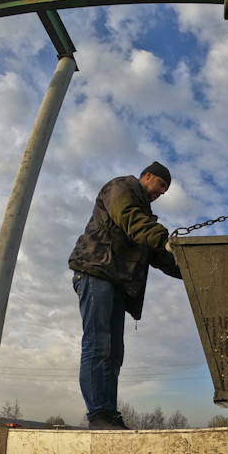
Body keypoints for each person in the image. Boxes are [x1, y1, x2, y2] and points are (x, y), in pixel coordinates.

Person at [69, 162, 182, 430]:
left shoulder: (147, 219)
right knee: (99, 344)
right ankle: (99, 415)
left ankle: (109, 413)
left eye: (166, 190)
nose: (162, 192)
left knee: (114, 352)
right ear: (148, 176)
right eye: (161, 185)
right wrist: (164, 238)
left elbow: (159, 256)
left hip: (116, 283)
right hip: (96, 272)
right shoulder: (122, 187)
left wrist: (192, 269)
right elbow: (130, 218)